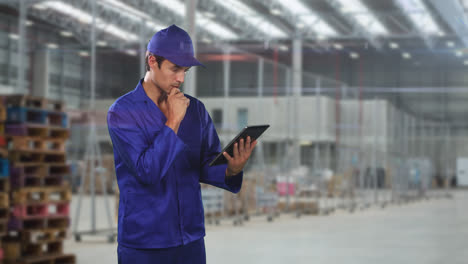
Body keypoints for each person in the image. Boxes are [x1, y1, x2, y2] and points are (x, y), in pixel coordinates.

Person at [107, 24, 257, 264]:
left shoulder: (195, 110)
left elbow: (205, 163)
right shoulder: (123, 112)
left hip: (190, 240)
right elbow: (148, 171)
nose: (181, 78)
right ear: (152, 60)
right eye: (175, 69)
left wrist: (231, 169)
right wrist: (174, 121)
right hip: (144, 243)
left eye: (185, 70)